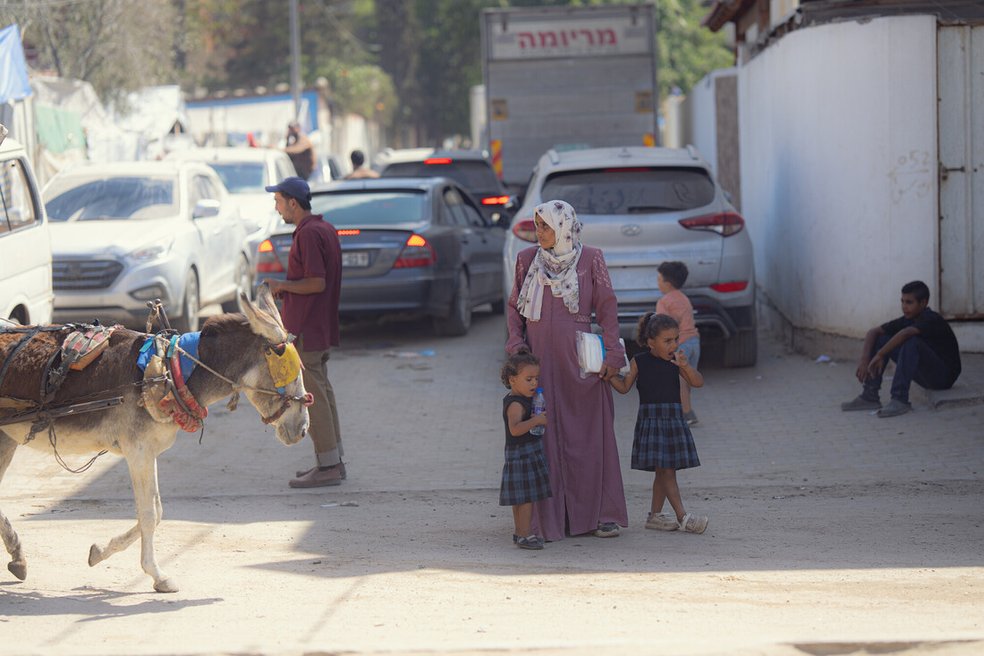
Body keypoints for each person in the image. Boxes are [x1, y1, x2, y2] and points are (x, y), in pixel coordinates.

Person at [506, 199, 628, 541]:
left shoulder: (590, 259)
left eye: (546, 226)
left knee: (588, 436)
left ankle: (600, 515)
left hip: (580, 362)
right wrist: (516, 345)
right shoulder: (526, 260)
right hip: (539, 363)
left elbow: (607, 309)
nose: (539, 232)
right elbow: (514, 308)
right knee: (542, 436)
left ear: (564, 228)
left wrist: (613, 354)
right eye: (537, 225)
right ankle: (547, 519)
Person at [261, 176, 345, 487]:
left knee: (314, 398)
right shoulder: (323, 228)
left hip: (308, 329)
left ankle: (328, 467)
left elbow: (316, 283)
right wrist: (287, 289)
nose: (277, 208)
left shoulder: (309, 233)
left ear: (293, 203)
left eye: (278, 202)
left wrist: (281, 285)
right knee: (323, 393)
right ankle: (333, 461)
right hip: (318, 326)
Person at [610, 313, 708, 534]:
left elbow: (698, 382)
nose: (673, 345)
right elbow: (624, 387)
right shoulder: (639, 362)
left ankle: (654, 516)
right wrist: (609, 376)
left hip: (673, 421)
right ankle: (683, 517)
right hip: (652, 422)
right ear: (651, 342)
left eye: (676, 339)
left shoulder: (676, 362)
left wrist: (686, 366)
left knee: (663, 471)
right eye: (667, 341)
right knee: (666, 471)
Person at [841, 280, 961, 418]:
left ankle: (899, 399)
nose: (904, 306)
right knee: (881, 338)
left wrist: (880, 354)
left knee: (911, 341)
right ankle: (870, 396)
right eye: (902, 301)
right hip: (926, 375)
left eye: (909, 302)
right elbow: (873, 332)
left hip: (943, 378)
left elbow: (906, 333)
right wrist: (864, 359)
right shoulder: (908, 319)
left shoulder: (931, 318)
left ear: (923, 303)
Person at [499, 352, 552, 550]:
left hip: (527, 452)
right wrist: (536, 420)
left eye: (536, 379)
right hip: (521, 454)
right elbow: (515, 429)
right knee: (526, 497)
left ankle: (520, 533)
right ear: (512, 380)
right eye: (528, 379)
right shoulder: (515, 404)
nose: (534, 383)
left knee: (520, 497)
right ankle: (525, 534)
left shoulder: (525, 399)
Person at [656, 261, 701, 426]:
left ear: (667, 283)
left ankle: (686, 413)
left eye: (659, 279)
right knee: (686, 379)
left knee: (677, 381)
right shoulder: (684, 298)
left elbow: (664, 326)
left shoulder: (664, 301)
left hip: (679, 345)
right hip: (694, 343)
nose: (657, 283)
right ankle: (683, 410)